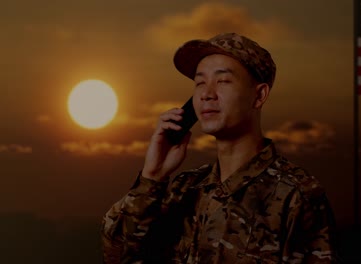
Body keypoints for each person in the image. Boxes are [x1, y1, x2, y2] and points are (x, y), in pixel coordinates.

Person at [101, 32, 338, 263]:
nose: (206, 94)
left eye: (223, 81)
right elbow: (116, 255)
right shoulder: (184, 190)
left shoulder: (298, 196)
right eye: (199, 82)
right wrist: (151, 177)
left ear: (259, 95)